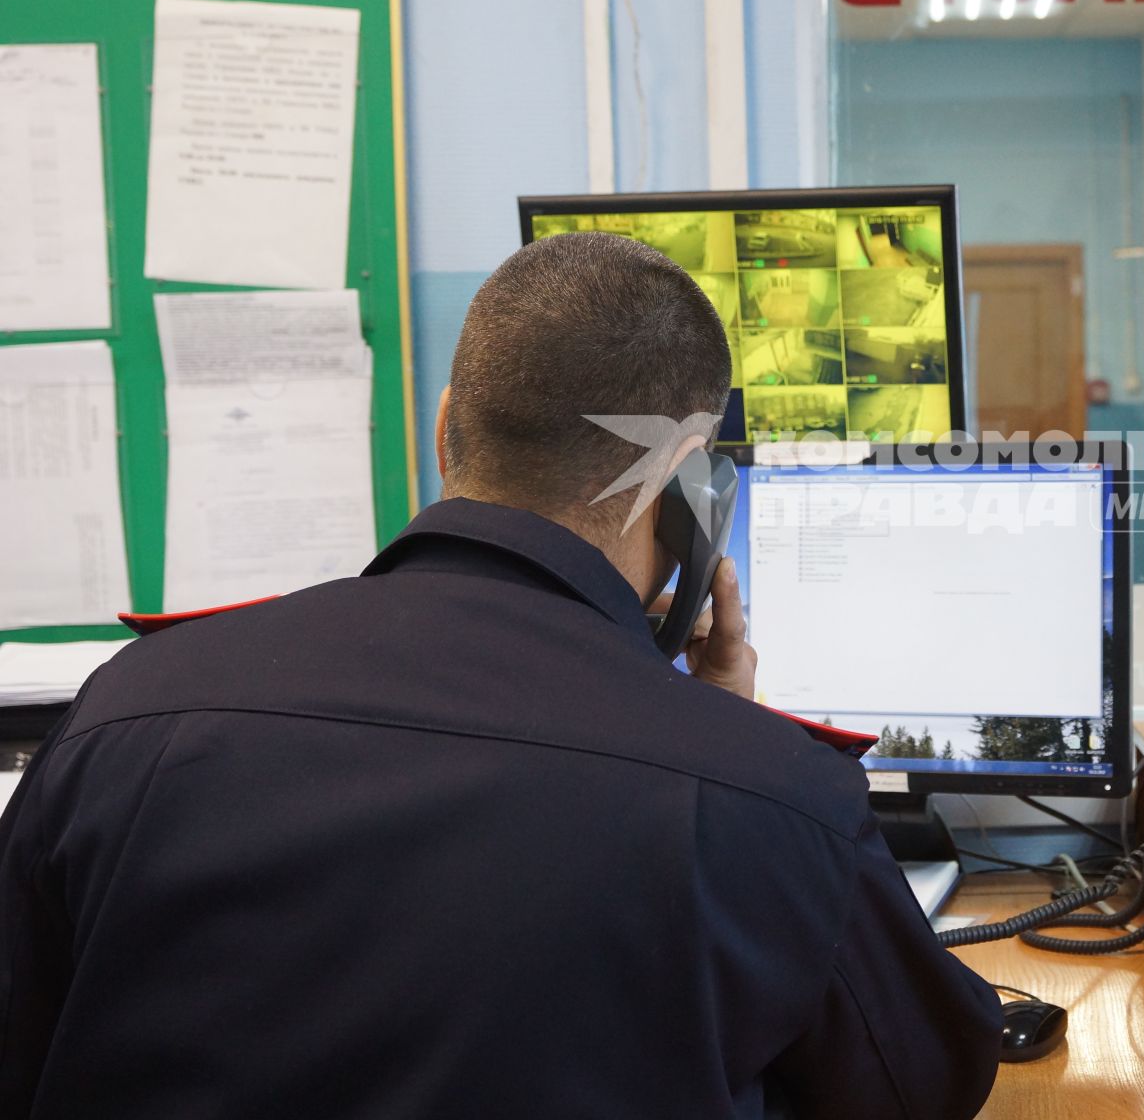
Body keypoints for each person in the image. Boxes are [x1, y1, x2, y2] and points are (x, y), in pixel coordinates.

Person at [0, 233, 1003, 1118]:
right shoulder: (768, 792)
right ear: (690, 483)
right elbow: (930, 1083)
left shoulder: (126, 711)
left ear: (446, 428)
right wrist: (730, 740)